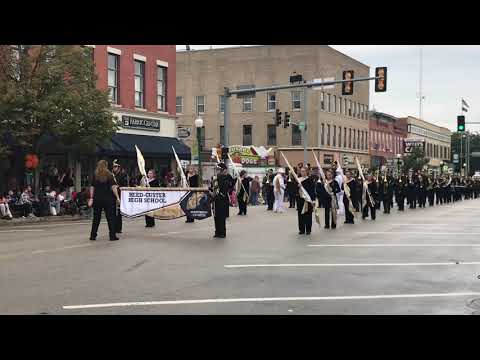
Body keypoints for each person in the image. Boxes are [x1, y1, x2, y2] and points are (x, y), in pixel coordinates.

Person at [88, 160, 120, 241]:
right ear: (106, 166)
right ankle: (112, 235)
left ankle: (93, 235)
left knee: (96, 218)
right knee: (110, 218)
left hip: (97, 199)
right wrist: (117, 197)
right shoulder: (109, 175)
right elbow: (113, 187)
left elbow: (92, 187)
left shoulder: (95, 175)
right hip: (108, 199)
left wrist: (91, 198)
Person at [210, 163, 234, 238]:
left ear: (223, 170)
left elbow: (230, 186)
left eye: (219, 169)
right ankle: (218, 232)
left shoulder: (226, 177)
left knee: (220, 216)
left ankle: (221, 232)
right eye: (217, 169)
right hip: (216, 199)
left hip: (221, 199)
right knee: (217, 216)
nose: (218, 171)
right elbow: (213, 187)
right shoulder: (215, 177)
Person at [296, 167, 316, 235]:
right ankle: (301, 230)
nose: (303, 172)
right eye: (301, 171)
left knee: (308, 215)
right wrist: (298, 187)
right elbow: (295, 190)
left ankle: (308, 230)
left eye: (304, 171)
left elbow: (312, 190)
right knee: (300, 215)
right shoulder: (298, 180)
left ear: (307, 172)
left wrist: (313, 200)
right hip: (300, 200)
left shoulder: (310, 180)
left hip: (308, 200)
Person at [112, 159, 128, 233]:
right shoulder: (112, 175)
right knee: (113, 213)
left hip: (120, 194)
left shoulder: (123, 175)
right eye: (113, 166)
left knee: (118, 212)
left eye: (115, 166)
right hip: (113, 195)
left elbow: (125, 186)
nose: (114, 168)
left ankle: (118, 228)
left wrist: (118, 187)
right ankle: (114, 227)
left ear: (119, 167)